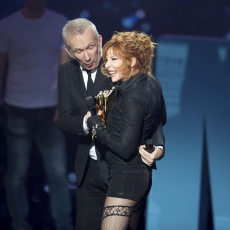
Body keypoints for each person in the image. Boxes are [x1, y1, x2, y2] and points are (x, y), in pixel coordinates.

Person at [58, 18, 166, 230]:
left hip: (122, 167)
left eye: (90, 47)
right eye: (78, 51)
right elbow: (64, 119)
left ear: (99, 40)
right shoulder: (66, 72)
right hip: (88, 169)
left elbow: (152, 115)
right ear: (69, 52)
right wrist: (89, 123)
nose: (87, 56)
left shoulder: (120, 66)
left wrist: (159, 147)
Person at [0, 0, 73, 229]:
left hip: (50, 109)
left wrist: (64, 105)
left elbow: (66, 68)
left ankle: (63, 224)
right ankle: (19, 223)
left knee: (58, 174)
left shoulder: (60, 23)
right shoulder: (7, 25)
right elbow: (0, 69)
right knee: (17, 173)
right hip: (16, 107)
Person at [86, 31, 166, 229]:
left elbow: (124, 148)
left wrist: (95, 124)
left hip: (126, 177)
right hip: (134, 174)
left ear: (132, 61)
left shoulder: (132, 96)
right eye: (107, 59)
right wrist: (159, 146)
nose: (107, 65)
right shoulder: (152, 83)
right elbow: (158, 121)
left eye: (114, 59)